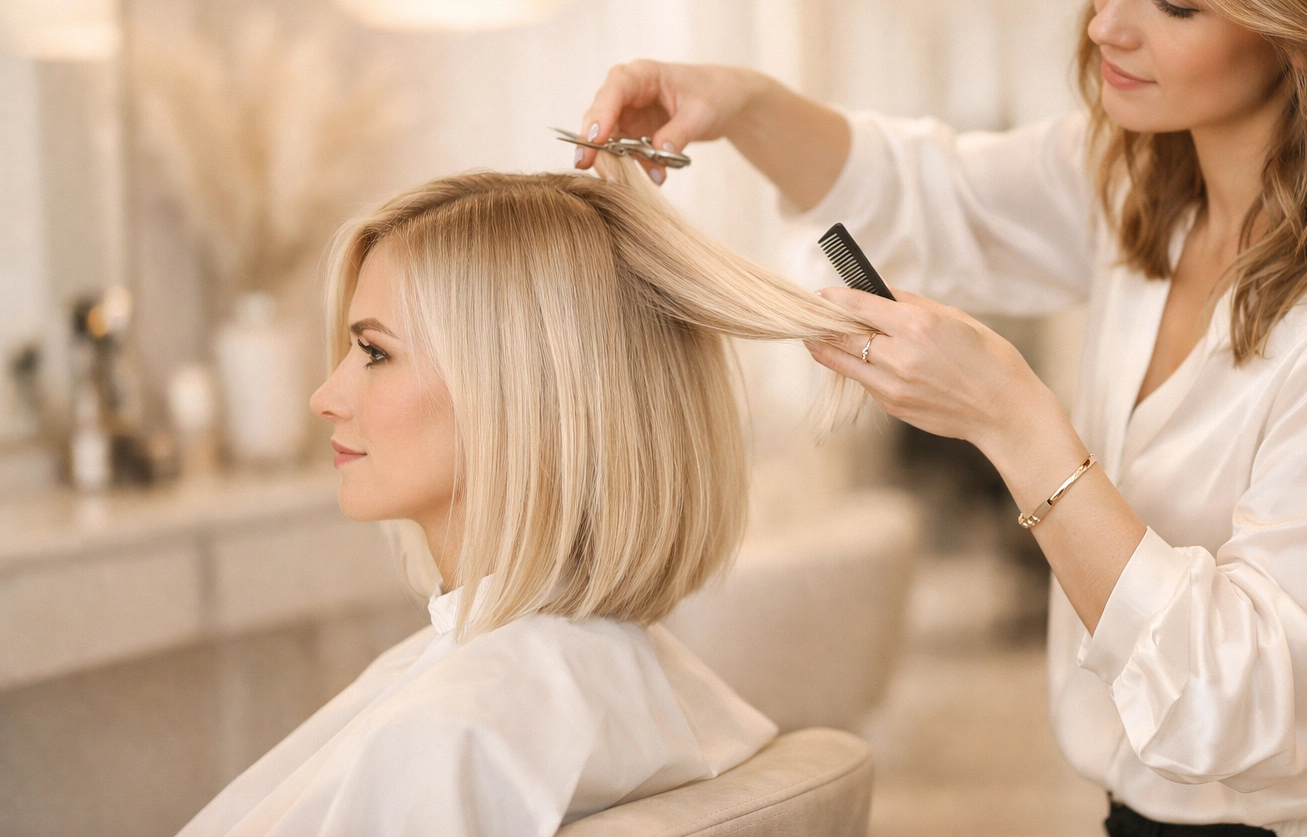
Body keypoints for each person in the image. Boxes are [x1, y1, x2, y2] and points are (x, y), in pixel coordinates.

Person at [575, 0, 1307, 835]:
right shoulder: (1142, 188)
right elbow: (925, 190)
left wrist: (1012, 422)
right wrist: (739, 102)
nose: (1107, 22)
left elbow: (1240, 704)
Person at [175, 153, 877, 837]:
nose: (325, 396)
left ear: (517, 395)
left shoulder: (452, 735)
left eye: (376, 353)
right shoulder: (652, 694)